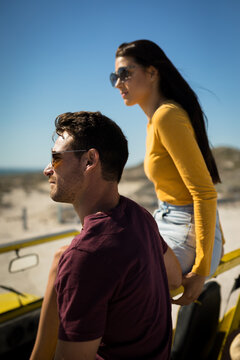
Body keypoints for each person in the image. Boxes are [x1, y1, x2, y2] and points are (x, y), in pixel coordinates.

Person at [30, 111, 182, 360]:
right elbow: (175, 279)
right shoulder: (138, 216)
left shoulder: (86, 256)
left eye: (56, 158)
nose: (47, 169)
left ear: (89, 160)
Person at [110, 39, 224, 306]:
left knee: (117, 277)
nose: (118, 83)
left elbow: (205, 193)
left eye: (125, 73)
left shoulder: (166, 116)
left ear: (152, 72)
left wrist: (201, 269)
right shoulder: (154, 120)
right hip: (167, 220)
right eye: (115, 76)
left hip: (188, 232)